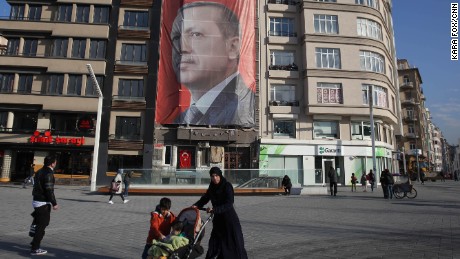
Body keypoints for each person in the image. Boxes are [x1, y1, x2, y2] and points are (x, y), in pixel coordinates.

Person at [171, 2, 254, 126]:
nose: (182, 47)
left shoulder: (244, 109)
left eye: (196, 35)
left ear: (232, 47)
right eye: (177, 37)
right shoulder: (180, 120)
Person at [192, 167, 248, 259]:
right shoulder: (212, 186)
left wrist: (215, 209)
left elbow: (229, 203)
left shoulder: (227, 185)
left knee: (233, 243)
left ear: (220, 175)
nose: (215, 178)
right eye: (212, 176)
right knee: (215, 242)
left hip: (229, 219)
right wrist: (196, 205)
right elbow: (205, 198)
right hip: (218, 220)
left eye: (216, 176)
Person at [30, 155, 59, 255]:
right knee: (42, 225)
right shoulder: (48, 173)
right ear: (52, 163)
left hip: (37, 200)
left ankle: (34, 239)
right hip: (43, 202)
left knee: (40, 222)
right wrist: (54, 203)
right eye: (55, 162)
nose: (56, 163)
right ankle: (35, 248)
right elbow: (49, 189)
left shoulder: (40, 170)